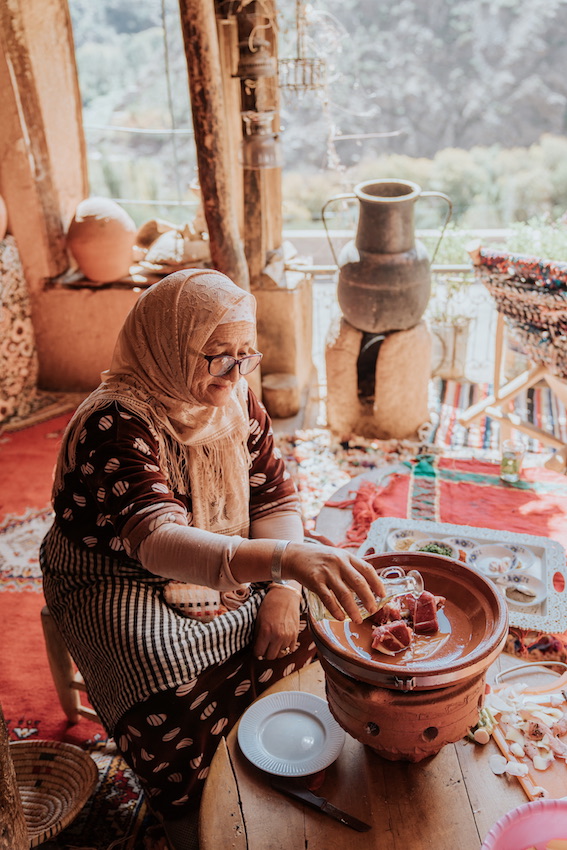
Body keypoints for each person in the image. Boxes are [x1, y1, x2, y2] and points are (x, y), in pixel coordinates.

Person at [40, 269, 384, 847]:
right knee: (165, 663)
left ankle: (267, 741)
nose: (233, 374)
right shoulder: (115, 422)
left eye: (244, 356)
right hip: (114, 570)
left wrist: (283, 588)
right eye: (215, 356)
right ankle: (190, 804)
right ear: (167, 344)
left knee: (318, 607)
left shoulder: (235, 398)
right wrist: (285, 562)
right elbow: (159, 542)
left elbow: (273, 496)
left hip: (221, 544)